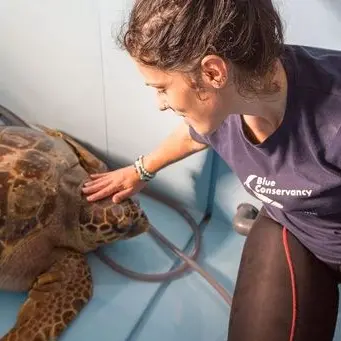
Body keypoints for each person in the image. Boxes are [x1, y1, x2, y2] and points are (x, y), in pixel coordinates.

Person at [82, 0, 341, 340]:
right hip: (291, 227)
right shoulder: (227, 99)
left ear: (213, 72)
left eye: (162, 88)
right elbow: (194, 135)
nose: (160, 104)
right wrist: (140, 170)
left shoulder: (332, 119)